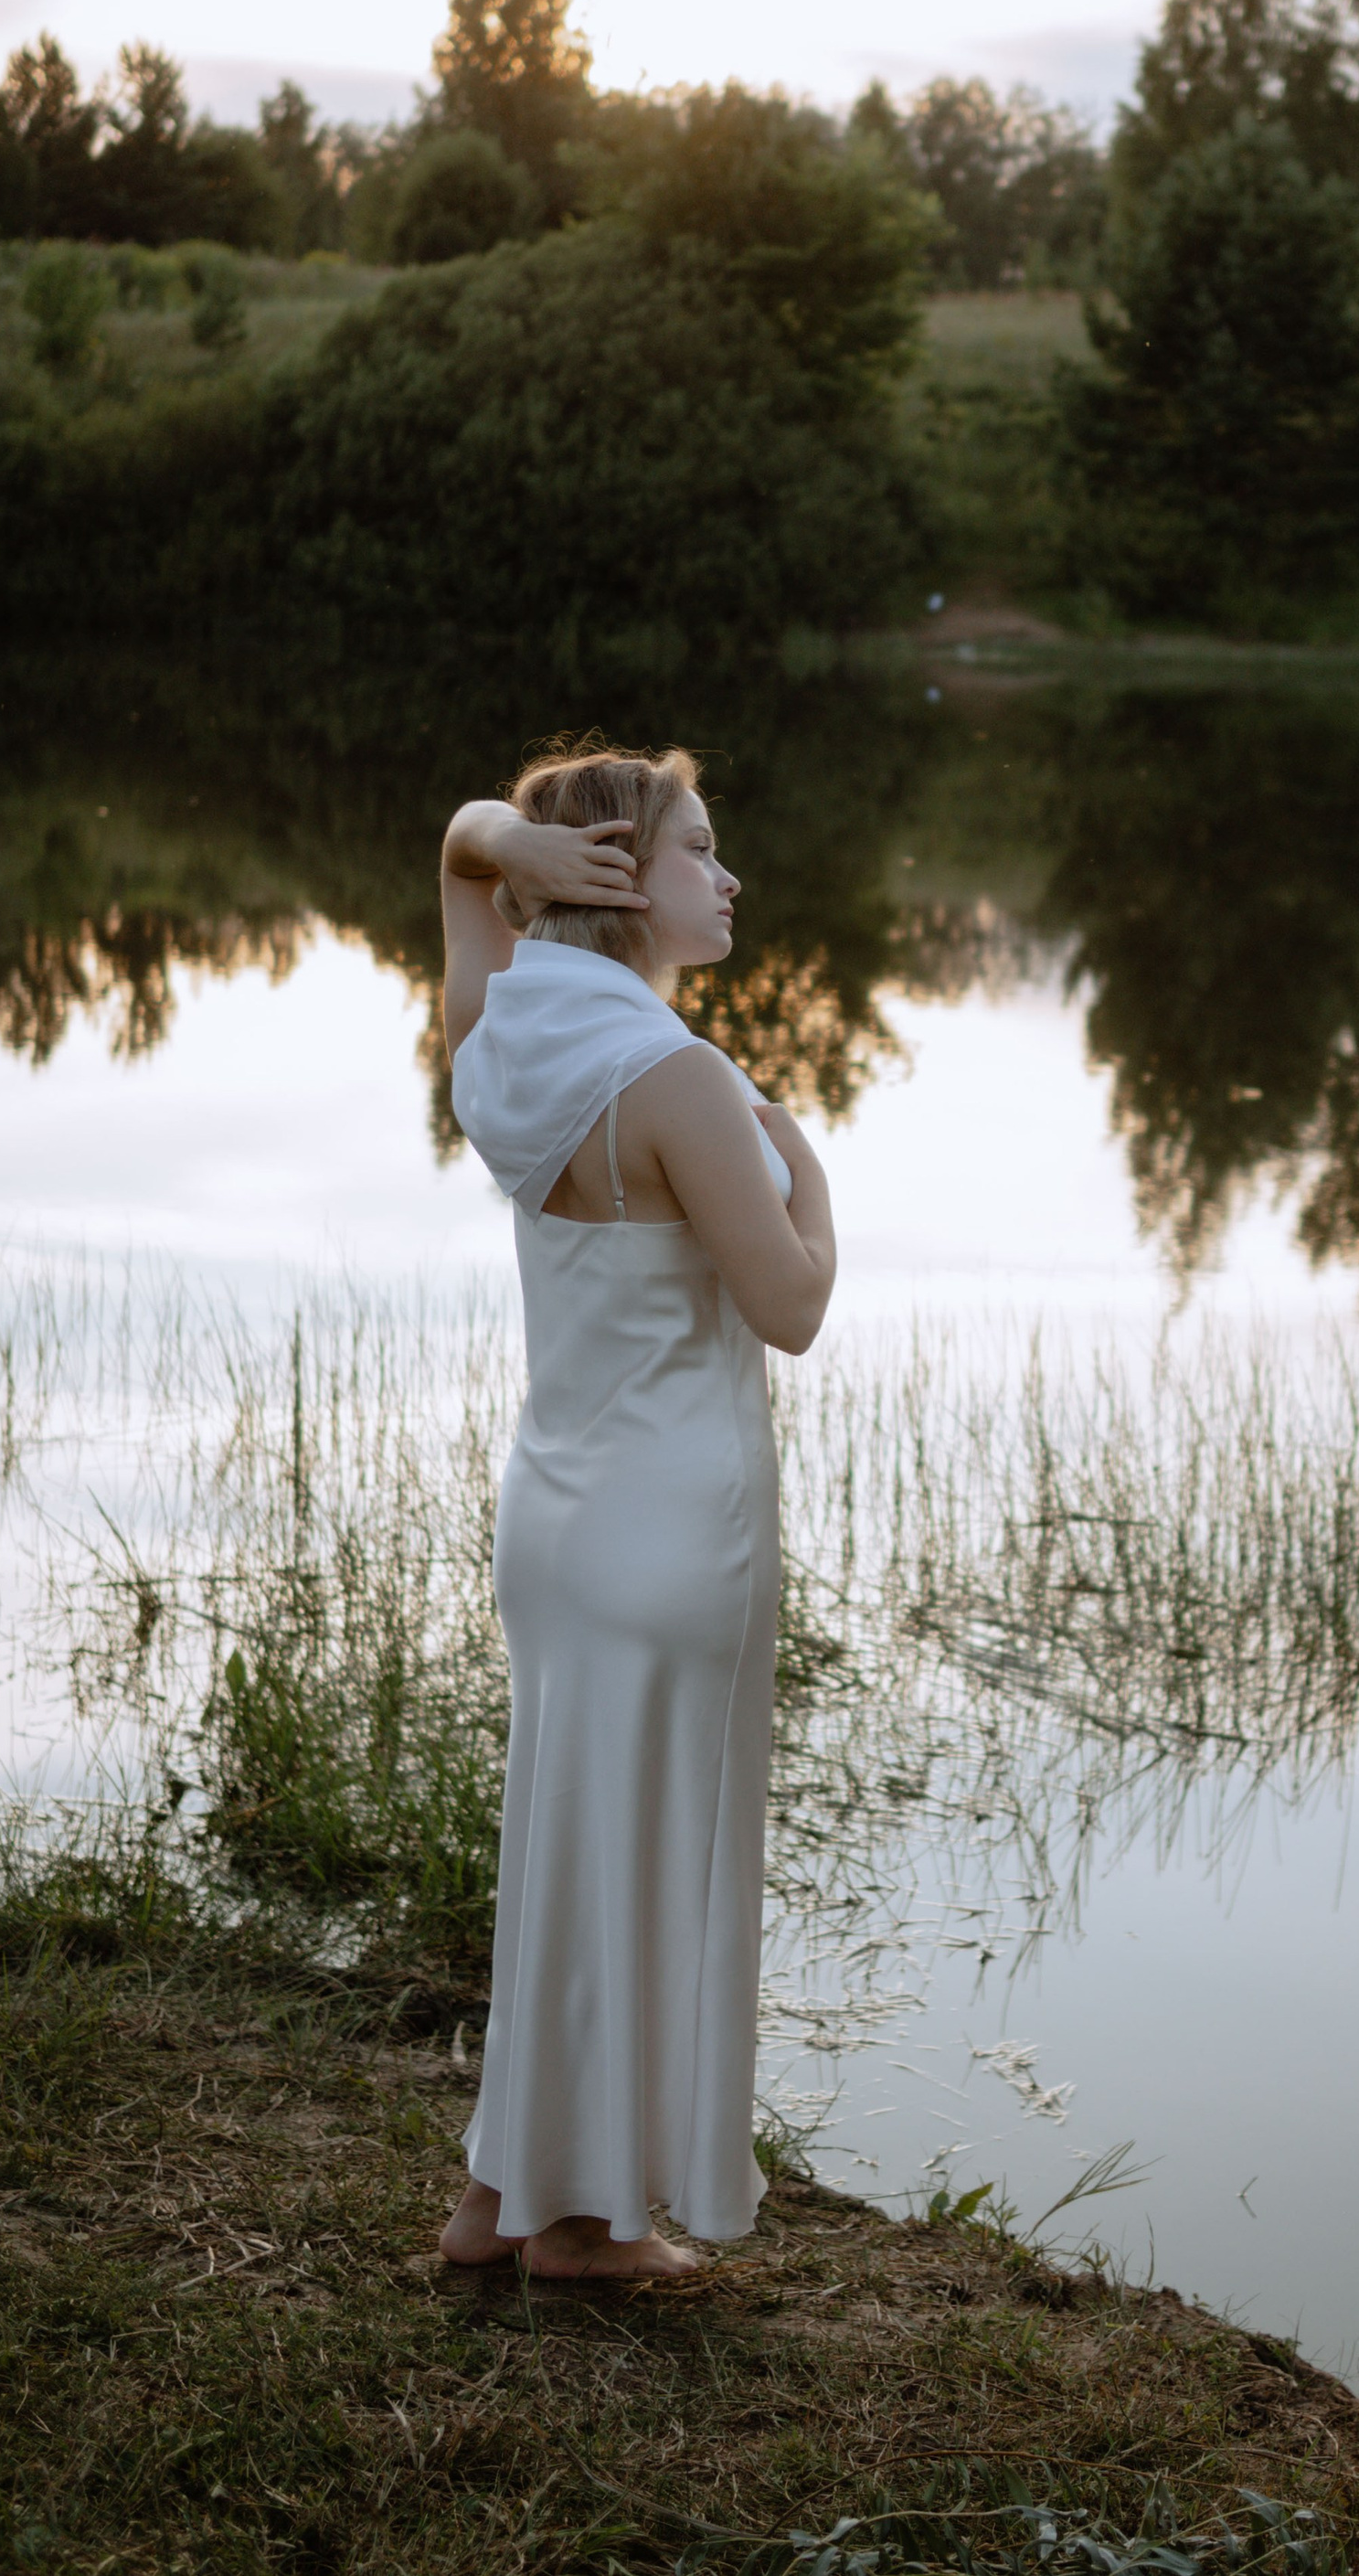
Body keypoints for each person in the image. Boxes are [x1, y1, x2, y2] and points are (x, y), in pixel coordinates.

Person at [431, 741, 836, 2280]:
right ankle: (589, 2223)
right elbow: (790, 1307)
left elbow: (461, 859)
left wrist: (502, 843)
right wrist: (812, 1180)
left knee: (564, 1857)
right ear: (617, 873)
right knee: (654, 1865)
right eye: (699, 849)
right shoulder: (679, 1079)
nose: (727, 877)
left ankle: (501, 2197)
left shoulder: (504, 1041)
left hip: (554, 1518)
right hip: (675, 1525)